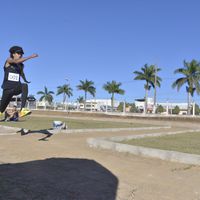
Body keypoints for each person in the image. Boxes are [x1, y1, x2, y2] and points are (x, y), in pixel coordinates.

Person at [0, 46, 38, 117]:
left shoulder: (20, 65)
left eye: (21, 54)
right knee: (1, 109)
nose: (20, 55)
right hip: (7, 89)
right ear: (13, 54)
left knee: (25, 86)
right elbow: (16, 61)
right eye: (18, 53)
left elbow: (21, 73)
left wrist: (26, 79)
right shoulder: (8, 60)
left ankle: (22, 110)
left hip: (16, 88)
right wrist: (30, 57)